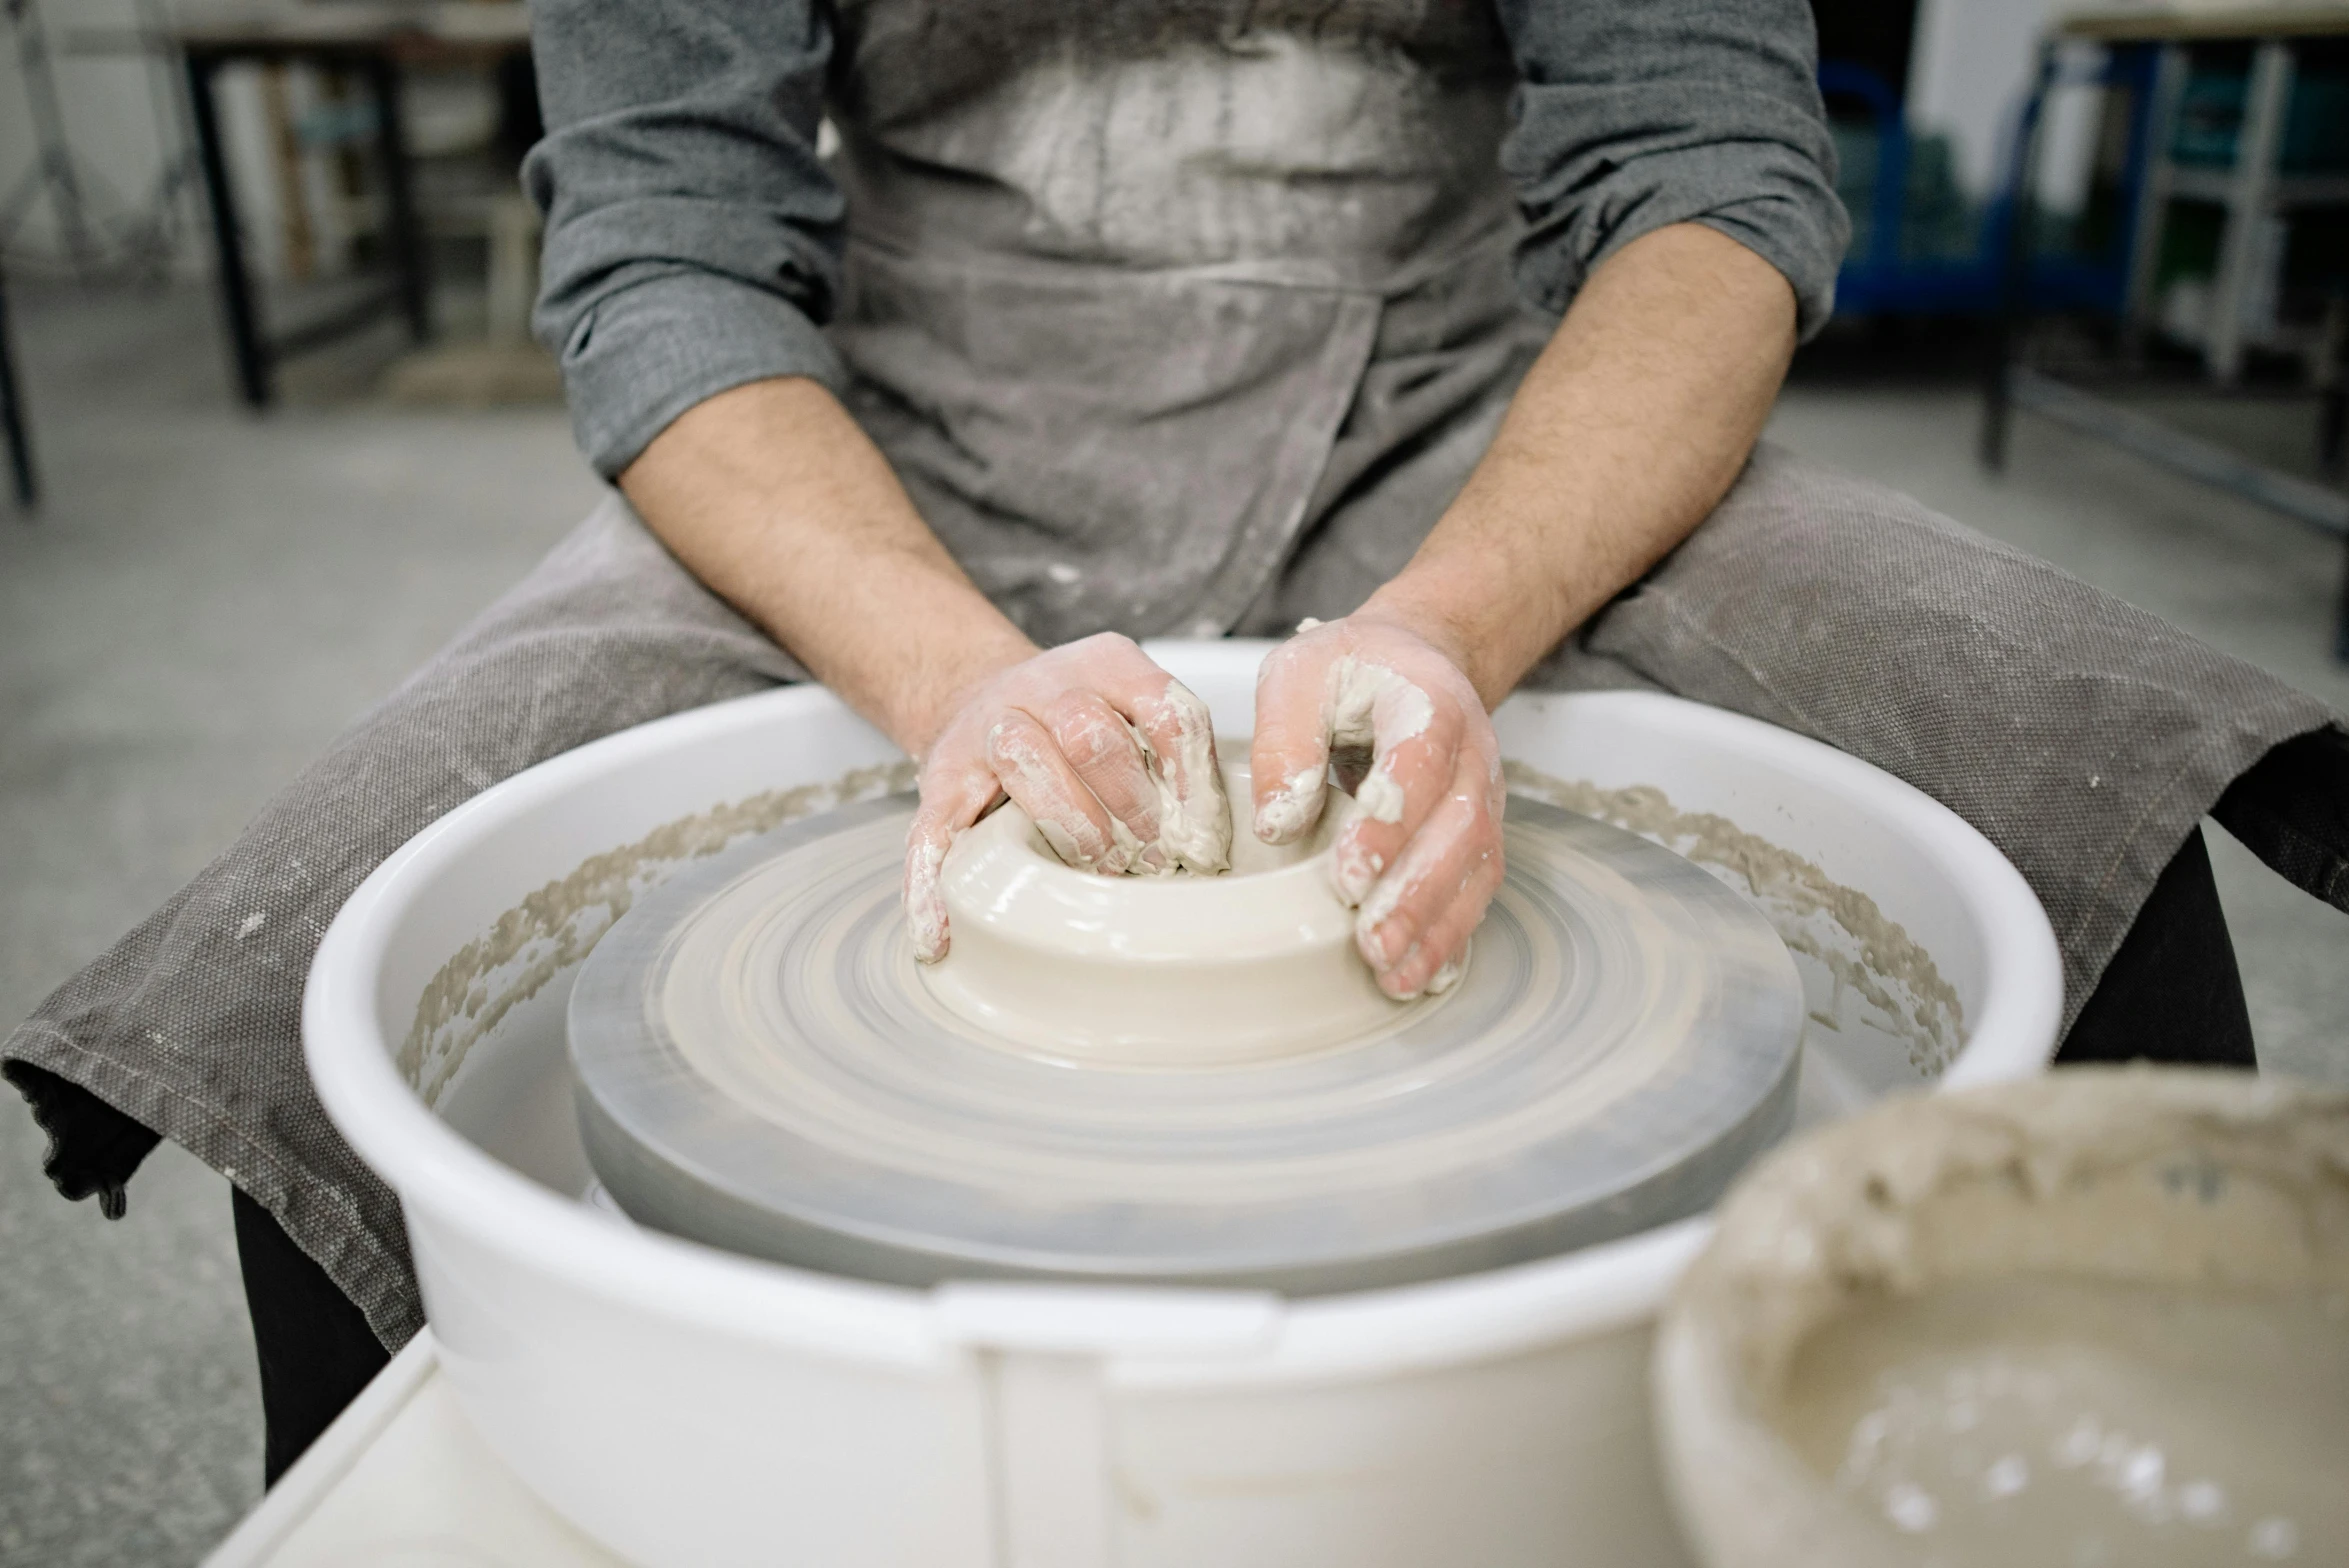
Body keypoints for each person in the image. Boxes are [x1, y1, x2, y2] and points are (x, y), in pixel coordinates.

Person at [8, 0, 2345, 1484]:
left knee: (2076, 795)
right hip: (899, 432)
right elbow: (665, 250)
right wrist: (939, 669)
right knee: (308, 983)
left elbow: (1715, 183)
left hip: (1461, 401)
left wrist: (1459, 619)